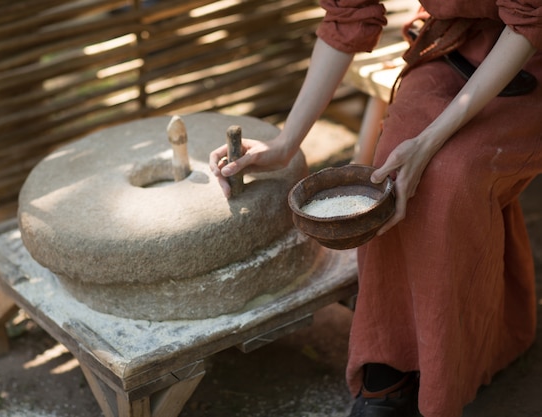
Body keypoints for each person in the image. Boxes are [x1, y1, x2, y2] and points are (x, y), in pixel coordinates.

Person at [209, 1, 542, 416]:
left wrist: (429, 141)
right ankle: (389, 367)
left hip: (529, 47)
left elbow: (529, 19)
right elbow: (348, 14)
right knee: (387, 183)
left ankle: (447, 375)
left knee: (455, 175)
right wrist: (285, 143)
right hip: (456, 42)